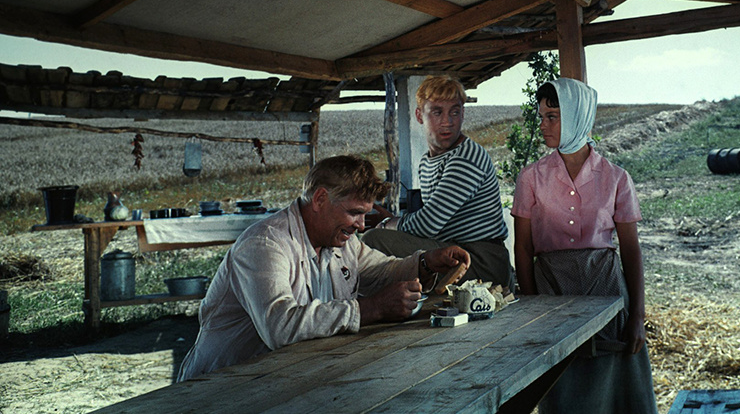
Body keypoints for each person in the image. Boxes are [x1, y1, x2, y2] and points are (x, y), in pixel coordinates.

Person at [177, 155, 470, 380]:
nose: (360, 224)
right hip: (219, 388)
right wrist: (371, 309)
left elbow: (380, 271)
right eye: (354, 213)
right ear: (320, 199)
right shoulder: (265, 244)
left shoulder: (341, 242)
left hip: (281, 378)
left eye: (364, 214)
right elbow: (280, 326)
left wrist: (426, 262)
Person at [511, 78, 657, 413]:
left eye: (553, 116)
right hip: (552, 292)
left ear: (578, 117)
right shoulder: (531, 178)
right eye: (541, 116)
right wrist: (533, 309)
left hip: (606, 290)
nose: (543, 125)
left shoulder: (616, 178)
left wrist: (636, 315)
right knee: (565, 389)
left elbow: (631, 251)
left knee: (615, 386)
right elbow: (523, 249)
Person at [363, 75, 513, 289]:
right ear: (419, 115)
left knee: (374, 240)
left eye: (455, 112)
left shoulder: (466, 156)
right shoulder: (427, 162)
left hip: (482, 260)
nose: (447, 121)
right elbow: (431, 225)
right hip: (451, 251)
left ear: (463, 114)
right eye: (437, 112)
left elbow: (428, 224)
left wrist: (390, 222)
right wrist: (397, 223)